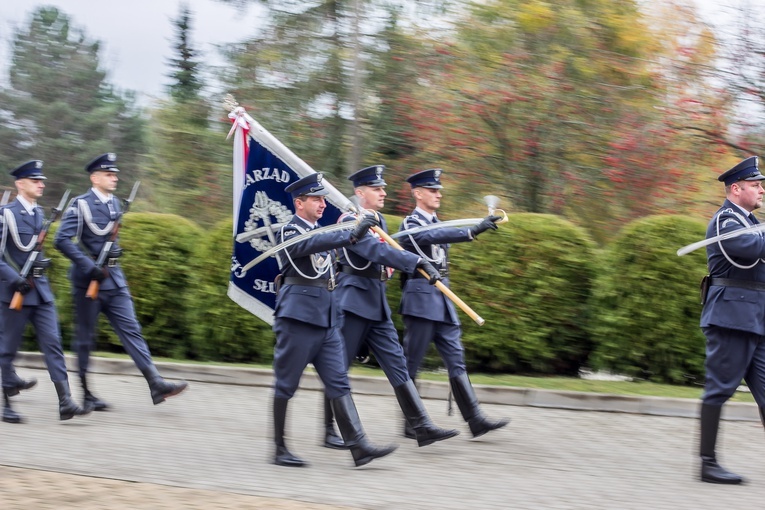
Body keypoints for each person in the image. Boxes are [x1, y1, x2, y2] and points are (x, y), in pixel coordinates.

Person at [321, 165, 459, 449]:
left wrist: (406, 263)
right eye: (376, 188)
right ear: (360, 193)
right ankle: (329, 430)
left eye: (382, 188)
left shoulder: (377, 218)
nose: (383, 192)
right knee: (339, 368)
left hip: (376, 302)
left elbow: (386, 256)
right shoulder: (350, 220)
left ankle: (420, 425)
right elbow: (374, 250)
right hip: (354, 301)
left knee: (398, 365)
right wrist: (416, 261)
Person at [271, 172, 398, 468]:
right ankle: (279, 448)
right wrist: (353, 232)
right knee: (286, 384)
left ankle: (359, 445)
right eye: (316, 199)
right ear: (299, 203)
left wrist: (356, 232)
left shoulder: (321, 231)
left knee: (339, 382)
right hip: (298, 320)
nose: (322, 204)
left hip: (326, 320)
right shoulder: (290, 231)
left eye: (323, 199)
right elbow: (307, 246)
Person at [53, 153, 187, 410]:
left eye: (115, 174)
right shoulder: (80, 205)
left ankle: (156, 383)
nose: (114, 178)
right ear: (94, 178)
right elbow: (61, 240)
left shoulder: (115, 203)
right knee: (85, 338)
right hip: (88, 283)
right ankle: (86, 393)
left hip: (114, 280)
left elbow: (109, 239)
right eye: (108, 174)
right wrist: (87, 265)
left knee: (132, 330)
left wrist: (116, 251)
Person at [397, 168, 509, 439]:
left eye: (439, 191)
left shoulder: (439, 222)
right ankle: (411, 423)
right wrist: (472, 231)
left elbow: (440, 245)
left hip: (444, 298)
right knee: (412, 364)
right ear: (418, 193)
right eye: (433, 191)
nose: (438, 195)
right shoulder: (410, 224)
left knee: (456, 360)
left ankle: (475, 419)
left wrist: (471, 230)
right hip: (421, 300)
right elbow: (429, 237)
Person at [0, 160, 92, 423]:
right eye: (35, 180)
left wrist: (41, 264)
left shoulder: (40, 214)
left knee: (53, 345)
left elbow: (33, 251)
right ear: (20, 184)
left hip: (40, 291)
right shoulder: (5, 214)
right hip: (13, 292)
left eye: (42, 181)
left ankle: (65, 401)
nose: (41, 184)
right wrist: (12, 277)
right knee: (7, 347)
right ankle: (5, 405)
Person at [698, 155, 765, 484]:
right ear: (736, 188)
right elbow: (749, 251)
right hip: (731, 318)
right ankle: (707, 464)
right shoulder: (727, 221)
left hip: (756, 318)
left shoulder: (751, 222)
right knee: (719, 389)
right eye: (756, 185)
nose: (761, 191)